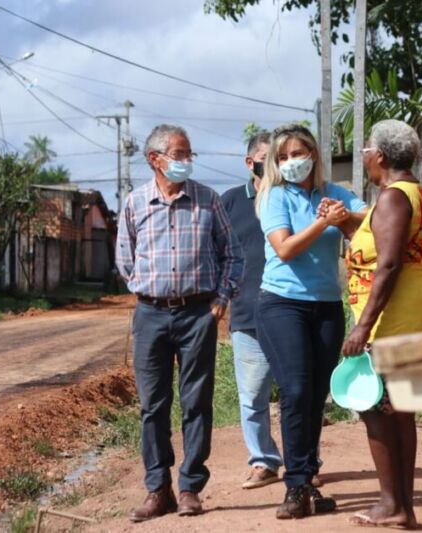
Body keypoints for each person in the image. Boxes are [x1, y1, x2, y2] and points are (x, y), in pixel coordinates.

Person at [117, 124, 244, 522]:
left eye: (189, 154)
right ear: (155, 159)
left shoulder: (208, 200)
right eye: (180, 153)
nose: (187, 160)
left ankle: (190, 487)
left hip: (197, 314)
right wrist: (146, 291)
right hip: (151, 314)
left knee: (196, 402)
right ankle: (158, 489)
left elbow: (233, 256)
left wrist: (221, 299)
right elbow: (125, 260)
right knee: (152, 405)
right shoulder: (135, 203)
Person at [255, 123, 367, 520]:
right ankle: (296, 485)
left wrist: (344, 218)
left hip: (325, 305)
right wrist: (324, 223)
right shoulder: (274, 196)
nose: (291, 163)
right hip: (281, 304)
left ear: (314, 155)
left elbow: (365, 226)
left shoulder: (335, 194)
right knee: (296, 390)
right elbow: (284, 248)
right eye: (283, 157)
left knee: (318, 393)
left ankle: (309, 474)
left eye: (298, 154)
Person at [342, 120, 422, 528]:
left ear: (380, 156)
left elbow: (387, 264)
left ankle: (392, 504)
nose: (365, 156)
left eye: (367, 150)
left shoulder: (392, 198)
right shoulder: (412, 193)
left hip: (396, 316)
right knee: (397, 409)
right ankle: (401, 505)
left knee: (376, 407)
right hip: (412, 309)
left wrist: (361, 328)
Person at [220, 132, 284, 489]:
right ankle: (264, 461)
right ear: (250, 163)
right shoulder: (229, 202)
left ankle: (307, 461)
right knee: (253, 395)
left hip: (291, 310)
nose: (274, 161)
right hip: (247, 313)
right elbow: (216, 253)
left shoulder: (290, 197)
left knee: (296, 392)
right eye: (266, 156)